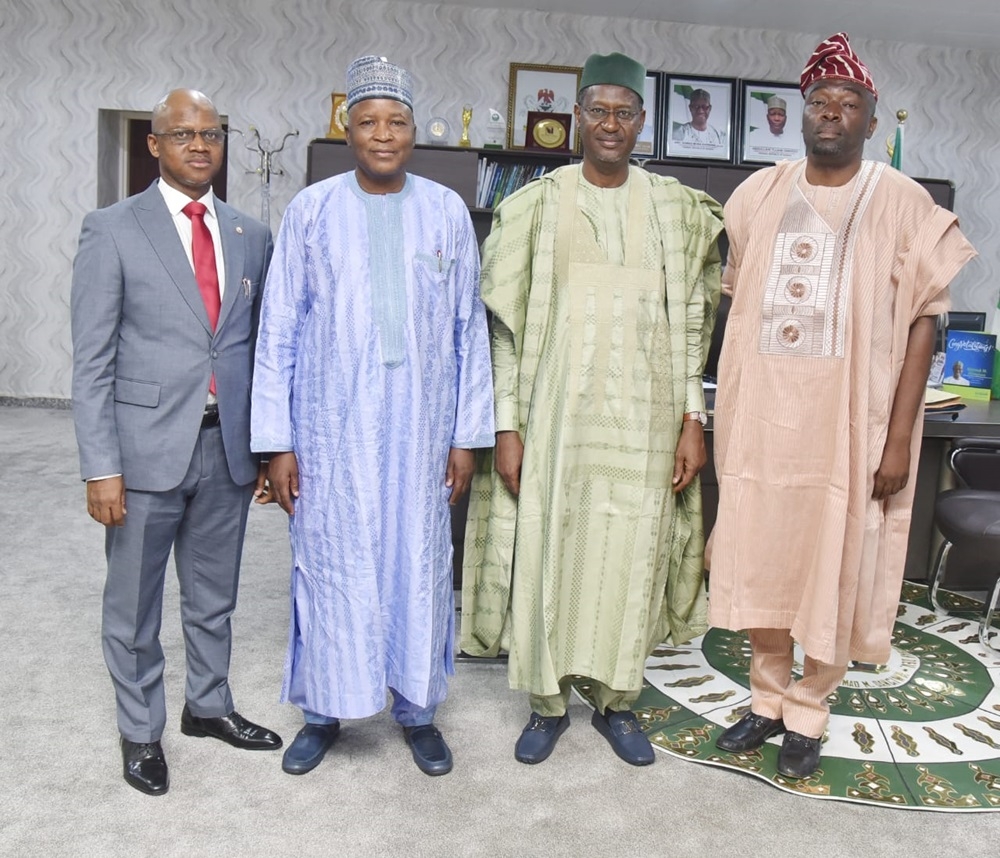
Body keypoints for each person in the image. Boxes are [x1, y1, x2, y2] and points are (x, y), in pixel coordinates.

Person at [709, 33, 977, 779]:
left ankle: (810, 710)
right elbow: (737, 305)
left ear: (869, 117)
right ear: (802, 115)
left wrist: (899, 439)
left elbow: (927, 318)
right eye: (818, 102)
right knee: (764, 556)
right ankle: (766, 699)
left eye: (847, 103)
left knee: (835, 562)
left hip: (848, 429)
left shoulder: (901, 201)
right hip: (764, 422)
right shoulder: (757, 194)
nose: (830, 114)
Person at [462, 51, 724, 767]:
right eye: (598, 110)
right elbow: (505, 334)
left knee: (631, 550)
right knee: (550, 550)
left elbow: (695, 324)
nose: (611, 124)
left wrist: (691, 420)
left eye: (625, 112)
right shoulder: (534, 206)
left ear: (643, 121)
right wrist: (508, 426)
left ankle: (618, 701)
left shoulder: (675, 209)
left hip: (644, 427)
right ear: (576, 116)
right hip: (555, 423)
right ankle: (547, 704)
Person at [250, 55, 494, 778]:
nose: (382, 134)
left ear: (415, 130)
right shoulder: (312, 210)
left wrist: (465, 436)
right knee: (332, 563)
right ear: (347, 128)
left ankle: (417, 708)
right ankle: (324, 709)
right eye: (368, 122)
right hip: (331, 429)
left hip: (420, 431)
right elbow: (279, 330)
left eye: (396, 121)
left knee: (418, 563)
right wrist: (277, 442)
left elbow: (467, 330)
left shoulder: (446, 211)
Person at [71, 89, 281, 797]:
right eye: (183, 134)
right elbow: (92, 359)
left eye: (211, 134)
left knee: (213, 596)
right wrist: (101, 466)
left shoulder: (252, 234)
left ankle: (208, 705)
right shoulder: (113, 228)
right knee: (133, 604)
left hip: (226, 450)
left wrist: (263, 446)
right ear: (155, 145)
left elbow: (259, 350)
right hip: (141, 452)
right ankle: (139, 731)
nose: (200, 146)